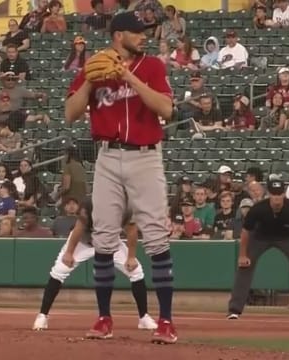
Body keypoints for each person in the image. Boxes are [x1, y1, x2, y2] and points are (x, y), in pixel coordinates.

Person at [64, 11, 177, 344]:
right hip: (108, 157)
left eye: (144, 31)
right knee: (103, 238)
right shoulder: (96, 66)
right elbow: (70, 114)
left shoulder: (153, 66)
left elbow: (166, 110)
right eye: (137, 32)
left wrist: (129, 77)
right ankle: (103, 319)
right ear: (118, 35)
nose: (143, 36)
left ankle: (166, 321)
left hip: (145, 156)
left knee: (156, 237)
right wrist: (88, 78)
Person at [33, 198, 158, 331]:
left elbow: (132, 230)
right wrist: (69, 253)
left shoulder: (122, 208)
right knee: (59, 271)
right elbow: (78, 229)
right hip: (84, 242)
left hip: (109, 242)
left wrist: (131, 257)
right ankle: (43, 315)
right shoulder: (89, 205)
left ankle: (144, 317)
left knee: (136, 272)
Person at [227, 178, 289, 320]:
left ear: (284, 194)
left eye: (279, 194)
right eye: (274, 194)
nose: (277, 198)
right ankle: (234, 309)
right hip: (260, 236)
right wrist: (242, 255)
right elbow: (246, 232)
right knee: (245, 266)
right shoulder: (259, 208)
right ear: (269, 195)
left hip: (286, 236)